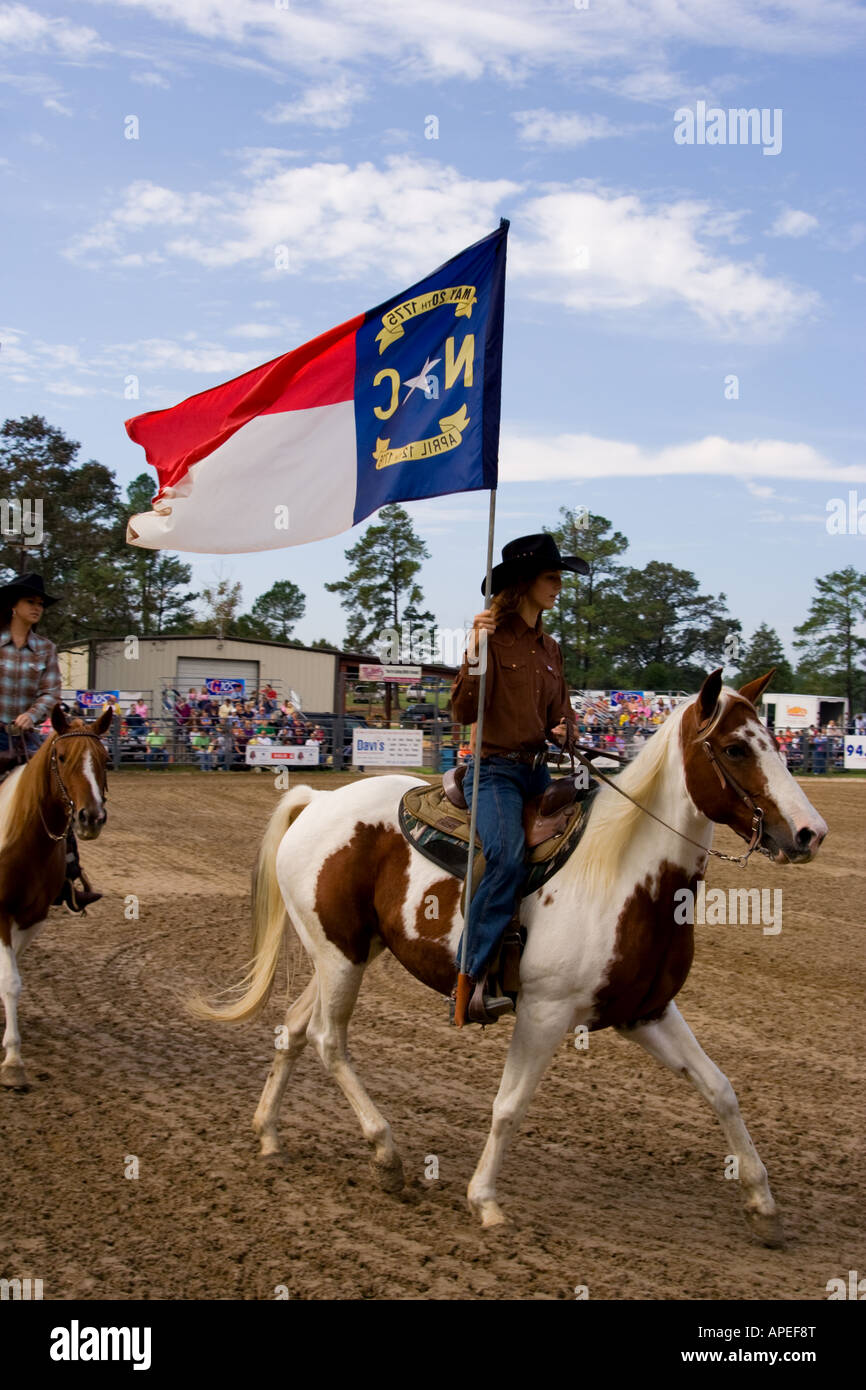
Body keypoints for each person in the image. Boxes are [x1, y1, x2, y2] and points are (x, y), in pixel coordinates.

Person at [450, 533, 587, 1026]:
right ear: (526, 583)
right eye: (552, 578)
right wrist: (473, 649)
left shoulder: (550, 648)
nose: (559, 587)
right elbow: (464, 709)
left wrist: (565, 729)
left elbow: (562, 717)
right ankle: (469, 976)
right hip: (492, 774)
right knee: (506, 856)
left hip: (537, 772)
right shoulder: (491, 638)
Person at [0, 571, 102, 911]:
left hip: (27, 738)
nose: (37, 607)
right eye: (31, 601)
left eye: (41, 603)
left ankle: (68, 876)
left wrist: (32, 714)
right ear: (13, 606)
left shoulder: (45, 649)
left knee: (59, 796)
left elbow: (50, 693)